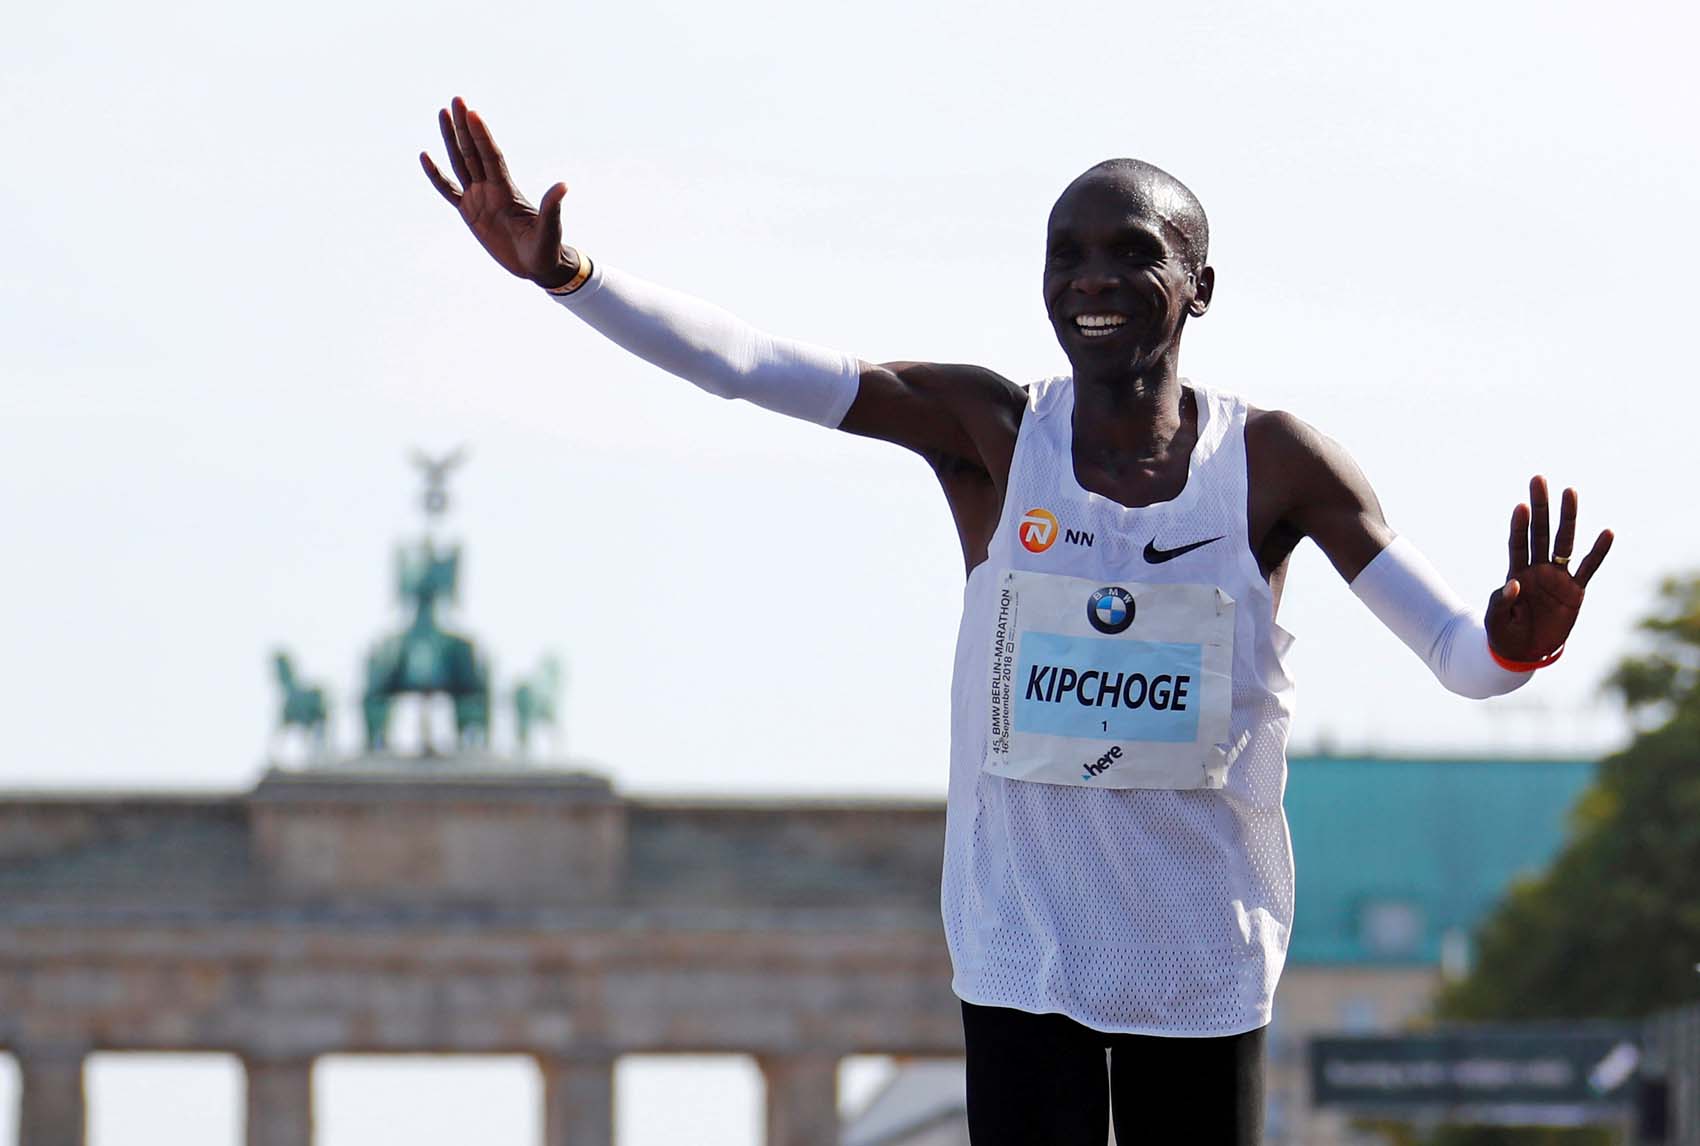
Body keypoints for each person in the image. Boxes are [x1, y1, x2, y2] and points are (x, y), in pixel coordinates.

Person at [421, 96, 1612, 1145]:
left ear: (1198, 285)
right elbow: (748, 366)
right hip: (1019, 952)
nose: (1091, 278)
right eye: (1066, 255)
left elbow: (1461, 659)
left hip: (1198, 954)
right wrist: (569, 275)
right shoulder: (990, 435)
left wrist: (1518, 639)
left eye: (1130, 252)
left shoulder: (1276, 464)